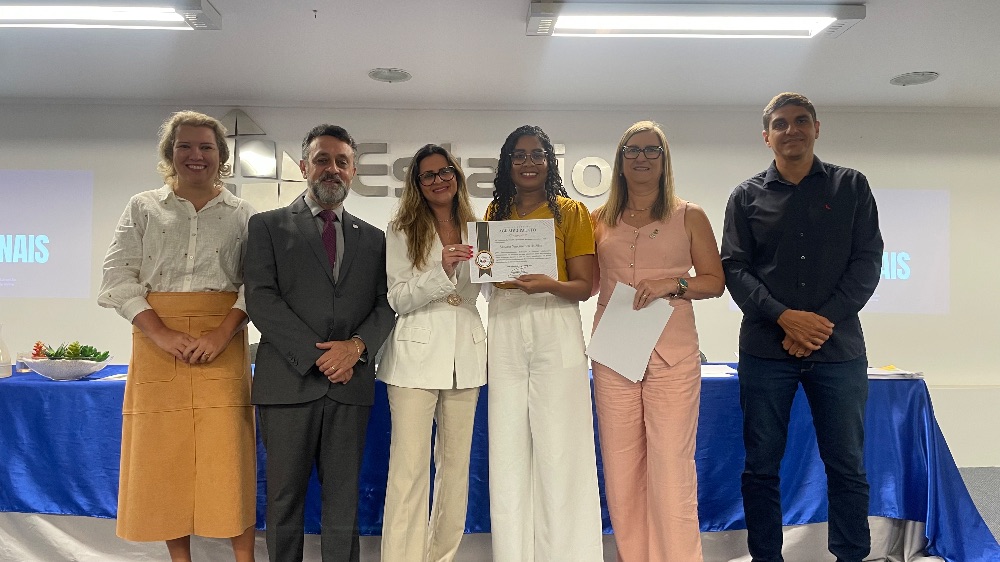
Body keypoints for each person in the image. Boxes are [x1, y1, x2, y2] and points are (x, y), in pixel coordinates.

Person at [721, 93, 883, 562]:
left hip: (839, 349)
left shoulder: (852, 186)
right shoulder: (745, 196)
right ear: (766, 135)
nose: (791, 130)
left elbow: (867, 261)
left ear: (816, 128)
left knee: (847, 465)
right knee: (761, 466)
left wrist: (820, 323)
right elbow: (734, 268)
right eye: (780, 123)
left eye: (800, 121)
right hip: (766, 350)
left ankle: (851, 555)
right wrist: (785, 317)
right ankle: (766, 557)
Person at [98, 110, 257, 562]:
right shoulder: (143, 207)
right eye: (184, 145)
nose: (195, 155)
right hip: (155, 343)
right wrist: (161, 334)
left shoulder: (244, 214)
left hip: (222, 342)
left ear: (221, 156)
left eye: (206, 146)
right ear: (170, 153)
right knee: (164, 459)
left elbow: (256, 284)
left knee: (229, 459)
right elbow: (117, 277)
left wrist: (223, 332)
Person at [244, 124, 395, 562]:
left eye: (342, 162)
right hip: (287, 384)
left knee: (344, 502)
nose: (333, 169)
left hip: (350, 385)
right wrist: (320, 358)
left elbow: (386, 304)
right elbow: (261, 299)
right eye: (323, 160)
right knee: (284, 498)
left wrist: (356, 347)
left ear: (353, 171)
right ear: (304, 165)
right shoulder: (267, 226)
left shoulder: (374, 238)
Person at [591, 121, 725, 562]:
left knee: (671, 467)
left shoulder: (690, 215)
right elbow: (586, 283)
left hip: (673, 354)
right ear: (620, 161)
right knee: (622, 469)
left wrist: (675, 284)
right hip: (614, 354)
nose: (642, 158)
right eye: (633, 150)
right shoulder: (597, 220)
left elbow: (714, 281)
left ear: (665, 160)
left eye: (652, 150)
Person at [484, 125, 604, 562]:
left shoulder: (571, 212)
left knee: (560, 446)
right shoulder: (494, 212)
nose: (528, 162)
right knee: (508, 448)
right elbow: (487, 271)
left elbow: (585, 286)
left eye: (537, 154)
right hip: (505, 322)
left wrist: (549, 284)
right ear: (507, 163)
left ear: (550, 162)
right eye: (519, 155)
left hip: (555, 320)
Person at [378, 144, 486, 562]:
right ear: (417, 184)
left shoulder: (479, 228)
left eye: (445, 172)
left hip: (467, 357)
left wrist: (513, 273)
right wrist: (441, 271)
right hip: (414, 360)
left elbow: (488, 289)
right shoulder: (401, 230)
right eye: (429, 175)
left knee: (456, 471)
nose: (439, 180)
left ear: (456, 176)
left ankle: (441, 557)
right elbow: (398, 298)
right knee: (409, 471)